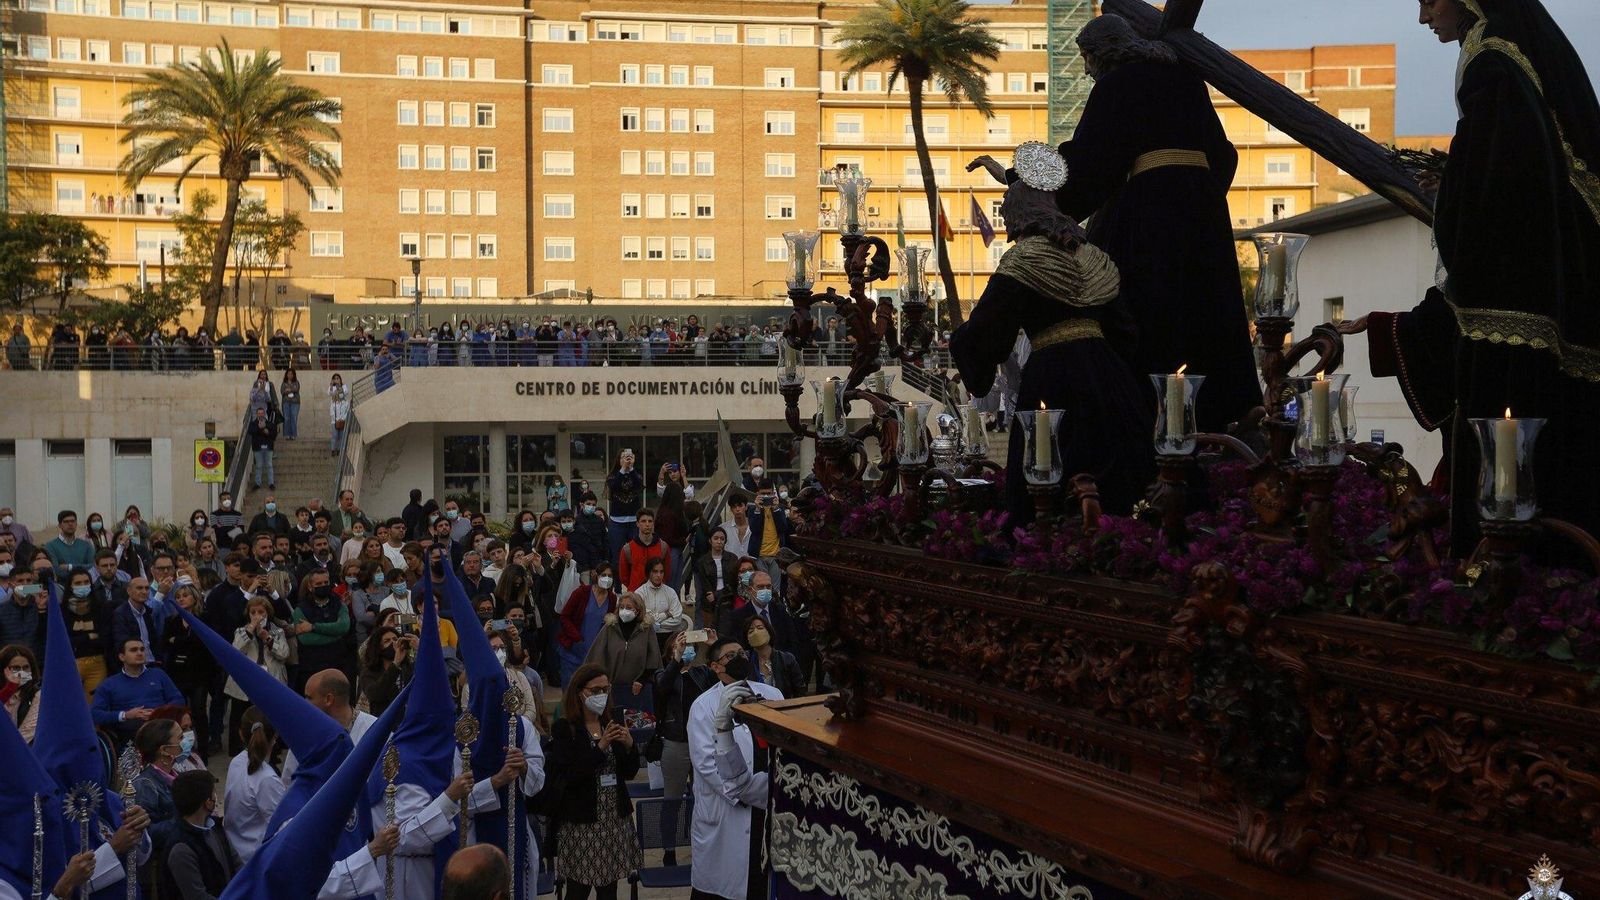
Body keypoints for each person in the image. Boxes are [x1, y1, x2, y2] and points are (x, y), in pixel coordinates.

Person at [1338, 0, 1600, 552]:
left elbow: (1487, 212)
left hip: (1508, 338)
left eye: (1428, 0)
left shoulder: (1492, 59)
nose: (1422, 17)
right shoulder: (1522, 55)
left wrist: (1456, 192)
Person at [971, 16, 1259, 436]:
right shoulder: (1187, 80)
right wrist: (1200, 199)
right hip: (1205, 219)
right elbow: (1225, 154)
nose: (1086, 69)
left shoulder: (1117, 84)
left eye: (1086, 58)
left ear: (1104, 51)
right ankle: (1224, 415)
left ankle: (1151, 420)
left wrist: (1019, 179)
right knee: (1208, 309)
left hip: (1149, 217)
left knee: (1144, 312)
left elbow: (1088, 161)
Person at [954, 144, 1155, 519]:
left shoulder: (1024, 258)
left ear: (1018, 211)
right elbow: (1126, 331)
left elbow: (987, 330)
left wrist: (961, 344)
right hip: (1111, 383)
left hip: (1052, 380)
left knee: (1045, 480)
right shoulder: (1093, 256)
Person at [687, 639, 785, 900]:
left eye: (742, 652)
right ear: (716, 667)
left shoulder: (772, 696)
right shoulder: (703, 706)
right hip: (728, 811)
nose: (740, 657)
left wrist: (767, 791)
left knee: (760, 884)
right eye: (731, 656)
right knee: (724, 888)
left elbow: (783, 754)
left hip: (765, 813)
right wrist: (758, 792)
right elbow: (708, 765)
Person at [546, 663, 642, 900]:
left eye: (605, 689)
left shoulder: (610, 722)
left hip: (613, 821)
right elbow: (570, 775)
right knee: (578, 890)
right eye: (595, 690)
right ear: (580, 692)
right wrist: (601, 747)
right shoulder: (565, 729)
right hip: (582, 823)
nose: (601, 695)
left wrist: (630, 746)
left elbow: (628, 773)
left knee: (608, 890)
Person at [652, 630, 720, 868]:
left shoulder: (702, 673)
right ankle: (669, 849)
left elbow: (725, 677)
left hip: (703, 742)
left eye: (689, 644)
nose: (686, 648)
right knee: (672, 799)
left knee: (702, 797)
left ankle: (700, 844)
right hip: (676, 742)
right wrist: (676, 660)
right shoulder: (663, 673)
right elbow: (662, 689)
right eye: (681, 645)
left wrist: (714, 646)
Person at [160, 769, 242, 899]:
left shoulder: (215, 827)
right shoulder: (181, 849)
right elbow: (197, 896)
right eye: (213, 793)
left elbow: (237, 863)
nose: (216, 796)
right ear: (207, 802)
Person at [224, 598, 289, 754]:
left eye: (261, 612)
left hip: (269, 678)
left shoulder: (277, 631)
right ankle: (238, 747)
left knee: (269, 715)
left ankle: (272, 746)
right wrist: (251, 630)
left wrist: (267, 638)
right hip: (246, 679)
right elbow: (235, 649)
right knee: (240, 714)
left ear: (268, 613)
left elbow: (284, 654)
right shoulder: (241, 631)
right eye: (253, 612)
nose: (257, 616)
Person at [223, 707, 287, 864]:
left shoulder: (236, 762)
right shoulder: (267, 779)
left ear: (240, 733)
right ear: (275, 736)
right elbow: (283, 828)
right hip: (255, 861)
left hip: (236, 850)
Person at [92, 637, 185, 741]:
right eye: (133, 650)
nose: (139, 653)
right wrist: (126, 715)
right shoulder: (109, 684)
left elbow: (179, 700)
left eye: (142, 649)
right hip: (129, 736)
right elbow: (95, 714)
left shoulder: (158, 674)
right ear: (122, 657)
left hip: (162, 730)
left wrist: (158, 712)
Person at [583, 592, 662, 713]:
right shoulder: (610, 627)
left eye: (629, 607)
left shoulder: (646, 629)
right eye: (622, 607)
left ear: (638, 610)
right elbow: (596, 655)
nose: (624, 610)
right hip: (612, 689)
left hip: (638, 690)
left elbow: (654, 658)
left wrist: (642, 679)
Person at [160, 584, 215, 756]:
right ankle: (182, 750)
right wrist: (184, 641)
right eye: (178, 597)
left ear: (194, 598)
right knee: (180, 713)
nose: (181, 599)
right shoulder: (171, 621)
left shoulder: (204, 618)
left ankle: (203, 752)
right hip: (178, 673)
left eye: (185, 595)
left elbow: (202, 644)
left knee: (199, 712)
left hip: (200, 673)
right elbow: (165, 644)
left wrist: (177, 640)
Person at [290, 569, 351, 694]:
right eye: (318, 584)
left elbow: (344, 627)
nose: (323, 586)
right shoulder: (301, 609)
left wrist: (314, 627)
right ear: (310, 586)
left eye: (326, 582)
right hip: (312, 669)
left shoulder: (339, 604)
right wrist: (336, 635)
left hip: (338, 665)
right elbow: (306, 639)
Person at [557, 563, 617, 686]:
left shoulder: (612, 598)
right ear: (596, 575)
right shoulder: (582, 592)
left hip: (595, 653)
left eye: (610, 576)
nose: (607, 578)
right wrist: (577, 638)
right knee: (570, 689)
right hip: (574, 650)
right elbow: (564, 616)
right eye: (604, 575)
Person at [131, 717, 184, 827]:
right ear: (164, 750)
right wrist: (187, 822)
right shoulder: (144, 787)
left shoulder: (178, 773)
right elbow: (148, 834)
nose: (186, 741)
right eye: (181, 738)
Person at [743, 617, 804, 697]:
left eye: (760, 628)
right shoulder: (745, 661)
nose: (756, 632)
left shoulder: (787, 659)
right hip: (755, 708)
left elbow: (800, 690)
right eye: (751, 631)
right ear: (747, 639)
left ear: (769, 632)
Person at [635, 557, 686, 652]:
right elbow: (642, 618)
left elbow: (678, 620)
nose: (658, 575)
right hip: (645, 638)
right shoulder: (639, 593)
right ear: (649, 572)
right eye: (655, 571)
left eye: (661, 572)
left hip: (668, 639)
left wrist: (655, 624)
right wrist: (666, 614)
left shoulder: (670, 592)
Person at [616, 509, 668, 593]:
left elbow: (667, 571)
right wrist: (634, 586)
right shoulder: (627, 548)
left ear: (653, 523)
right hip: (635, 593)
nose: (647, 524)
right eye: (643, 521)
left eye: (650, 521)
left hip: (657, 592)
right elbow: (623, 576)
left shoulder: (663, 547)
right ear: (637, 524)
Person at [604, 449, 645, 553]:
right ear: (619, 460)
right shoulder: (612, 476)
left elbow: (639, 485)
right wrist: (622, 469)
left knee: (636, 552)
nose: (627, 459)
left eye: (629, 457)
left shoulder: (636, 474)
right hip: (617, 521)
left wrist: (631, 468)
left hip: (634, 521)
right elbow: (614, 486)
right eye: (623, 457)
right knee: (617, 553)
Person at [1, 644, 40, 742]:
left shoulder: (37, 694)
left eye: (26, 667)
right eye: (16, 668)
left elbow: (25, 734)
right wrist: (10, 688)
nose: (22, 673)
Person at [45, 510, 96, 574]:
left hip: (84, 582)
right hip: (62, 583)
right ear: (60, 525)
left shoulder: (86, 545)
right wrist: (82, 569)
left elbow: (93, 567)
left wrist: (70, 567)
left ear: (76, 524)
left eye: (72, 521)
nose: (70, 524)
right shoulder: (50, 546)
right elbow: (55, 570)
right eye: (66, 522)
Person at [329, 375, 351, 457]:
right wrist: (332, 385)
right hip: (334, 419)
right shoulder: (333, 402)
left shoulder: (344, 388)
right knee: (334, 435)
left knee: (341, 435)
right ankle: (333, 449)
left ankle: (339, 450)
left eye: (338, 378)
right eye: (334, 379)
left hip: (342, 419)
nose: (336, 380)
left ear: (340, 379)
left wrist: (339, 387)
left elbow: (345, 393)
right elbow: (330, 393)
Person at [280, 368, 303, 440]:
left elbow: (296, 389)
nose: (290, 375)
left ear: (294, 375)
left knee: (293, 417)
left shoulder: (296, 382)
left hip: (295, 402)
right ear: (286, 375)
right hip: (286, 402)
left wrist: (289, 389)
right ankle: (287, 434)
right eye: (288, 374)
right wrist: (287, 390)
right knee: (286, 418)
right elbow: (282, 392)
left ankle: (293, 435)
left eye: (291, 374)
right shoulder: (284, 383)